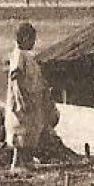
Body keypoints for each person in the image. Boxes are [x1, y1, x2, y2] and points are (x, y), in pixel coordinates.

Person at [5, 21, 58, 173]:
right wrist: (22, 99)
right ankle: (17, 163)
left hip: (31, 101)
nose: (34, 42)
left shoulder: (27, 57)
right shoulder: (19, 56)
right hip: (23, 102)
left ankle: (26, 161)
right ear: (24, 38)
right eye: (32, 39)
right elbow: (16, 79)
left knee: (30, 132)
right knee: (21, 133)